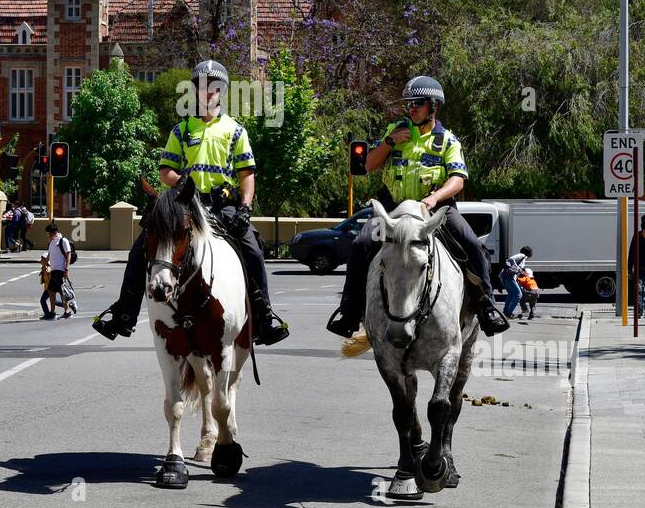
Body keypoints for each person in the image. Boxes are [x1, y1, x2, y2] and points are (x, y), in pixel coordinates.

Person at [92, 59, 289, 345]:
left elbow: (247, 174)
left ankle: (264, 316)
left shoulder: (236, 131)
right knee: (141, 248)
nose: (208, 92)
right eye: (202, 86)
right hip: (187, 205)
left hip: (223, 206)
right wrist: (180, 181)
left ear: (221, 91)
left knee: (253, 249)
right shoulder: (181, 130)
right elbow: (165, 170)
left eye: (214, 87)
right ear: (194, 90)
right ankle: (124, 313)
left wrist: (245, 208)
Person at [327, 75, 509, 338]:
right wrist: (389, 142)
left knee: (473, 245)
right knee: (360, 245)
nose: (411, 107)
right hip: (393, 211)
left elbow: (458, 179)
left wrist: (435, 198)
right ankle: (349, 312)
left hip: (434, 210)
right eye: (409, 103)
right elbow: (368, 164)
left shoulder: (447, 140)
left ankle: (487, 307)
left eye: (418, 103)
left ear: (433, 106)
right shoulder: (394, 130)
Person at [40, 223, 75, 319]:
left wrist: (66, 269)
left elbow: (68, 255)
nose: (48, 235)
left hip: (60, 270)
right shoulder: (51, 242)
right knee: (58, 291)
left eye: (49, 233)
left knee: (53, 291)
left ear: (54, 232)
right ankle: (66, 311)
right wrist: (44, 263)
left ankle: (54, 313)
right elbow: (49, 256)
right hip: (54, 270)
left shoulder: (63, 241)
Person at [501, 246, 534, 319]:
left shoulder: (522, 258)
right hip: (508, 276)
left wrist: (521, 271)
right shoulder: (522, 255)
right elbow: (511, 259)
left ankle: (506, 311)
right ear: (528, 254)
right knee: (518, 294)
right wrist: (518, 268)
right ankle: (509, 313)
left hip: (505, 276)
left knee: (511, 293)